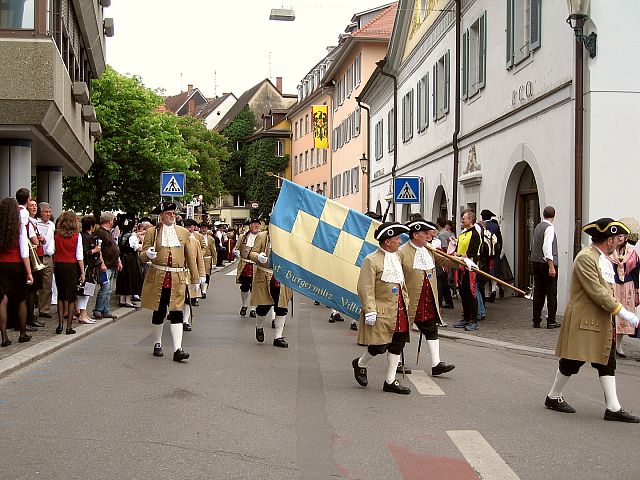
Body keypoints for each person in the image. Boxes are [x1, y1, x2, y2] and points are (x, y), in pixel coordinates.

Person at [545, 218, 639, 423]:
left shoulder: (602, 257)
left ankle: (613, 408)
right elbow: (597, 292)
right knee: (572, 361)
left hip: (599, 319)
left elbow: (606, 291)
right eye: (617, 238)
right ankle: (553, 397)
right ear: (609, 239)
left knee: (606, 360)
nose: (619, 242)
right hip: (586, 319)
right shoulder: (587, 258)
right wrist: (625, 314)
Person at [351, 222, 413, 395]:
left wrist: (406, 301)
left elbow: (402, 283)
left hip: (399, 310)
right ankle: (361, 363)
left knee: (397, 344)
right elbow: (365, 286)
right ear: (387, 242)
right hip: (381, 311)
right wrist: (369, 308)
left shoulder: (397, 257)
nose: (400, 242)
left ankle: (390, 381)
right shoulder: (371, 260)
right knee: (379, 346)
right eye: (397, 239)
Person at [398, 218, 462, 376]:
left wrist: (462, 262)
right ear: (414, 235)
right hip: (409, 300)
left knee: (431, 329)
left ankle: (436, 364)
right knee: (400, 332)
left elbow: (445, 260)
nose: (429, 236)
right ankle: (397, 362)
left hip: (427, 299)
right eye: (425, 233)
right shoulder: (401, 253)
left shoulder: (429, 249)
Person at [139, 202, 199, 362]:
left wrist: (196, 278)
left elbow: (190, 258)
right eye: (169, 213)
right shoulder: (152, 232)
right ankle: (157, 343)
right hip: (158, 276)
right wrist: (148, 255)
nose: (173, 216)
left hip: (178, 279)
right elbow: (142, 255)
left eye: (174, 213)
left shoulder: (183, 232)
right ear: (161, 216)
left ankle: (177, 349)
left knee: (177, 312)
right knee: (159, 311)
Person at [249, 217, 293, 348]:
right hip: (265, 275)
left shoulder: (289, 237)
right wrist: (258, 257)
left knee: (282, 306)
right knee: (264, 306)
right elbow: (252, 253)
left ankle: (278, 337)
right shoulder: (262, 237)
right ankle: (259, 326)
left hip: (283, 276)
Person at [0, 197, 33, 346]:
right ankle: (22, 332)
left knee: (2, 300)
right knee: (21, 299)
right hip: (17, 265)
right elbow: (24, 251)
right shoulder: (19, 227)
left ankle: (4, 337)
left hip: (1, 266)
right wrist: (29, 272)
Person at [53, 211, 85, 335]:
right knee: (71, 297)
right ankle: (69, 326)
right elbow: (79, 256)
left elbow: (52, 250)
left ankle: (60, 324)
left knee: (61, 295)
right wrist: (82, 272)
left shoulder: (56, 234)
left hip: (59, 265)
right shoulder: (77, 236)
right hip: (71, 266)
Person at [608, 231, 639, 358]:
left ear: (626, 238)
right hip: (614, 285)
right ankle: (609, 345)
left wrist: (636, 291)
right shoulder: (609, 253)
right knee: (612, 317)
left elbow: (636, 273)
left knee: (623, 318)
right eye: (617, 236)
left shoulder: (632, 254)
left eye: (621, 236)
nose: (619, 238)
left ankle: (618, 346)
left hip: (627, 287)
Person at [531, 206, 560, 329]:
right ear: (554, 216)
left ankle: (536, 320)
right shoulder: (549, 228)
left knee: (538, 292)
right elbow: (547, 248)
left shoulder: (538, 227)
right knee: (551, 293)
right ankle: (551, 320)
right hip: (546, 263)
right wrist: (551, 266)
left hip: (536, 262)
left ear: (543, 214)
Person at [453, 209, 481, 332]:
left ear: (470, 220)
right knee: (463, 294)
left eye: (464, 219)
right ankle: (466, 317)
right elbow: (459, 249)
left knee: (471, 294)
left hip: (470, 269)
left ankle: (473, 320)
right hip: (461, 268)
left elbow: (471, 253)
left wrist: (460, 256)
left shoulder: (474, 234)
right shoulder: (462, 234)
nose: (462, 221)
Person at [93, 212, 122, 320]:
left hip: (112, 265)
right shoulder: (100, 233)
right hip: (106, 265)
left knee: (109, 289)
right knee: (105, 288)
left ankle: (105, 310)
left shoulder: (107, 232)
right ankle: (98, 309)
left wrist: (118, 260)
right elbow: (98, 249)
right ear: (109, 221)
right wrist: (102, 263)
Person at [182, 219, 206, 331]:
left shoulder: (195, 241)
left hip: (190, 273)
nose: (191, 229)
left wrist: (201, 275)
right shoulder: (178, 239)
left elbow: (199, 259)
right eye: (188, 227)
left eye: (192, 227)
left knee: (188, 298)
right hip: (178, 272)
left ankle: (185, 320)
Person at [25, 199, 45, 329]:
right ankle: (29, 318)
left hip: (38, 255)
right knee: (31, 290)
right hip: (32, 258)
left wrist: (41, 239)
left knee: (35, 289)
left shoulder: (34, 222)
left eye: (35, 205)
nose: (34, 207)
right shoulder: (27, 222)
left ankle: (32, 316)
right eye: (31, 205)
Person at [115, 217, 143, 308]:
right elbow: (138, 248)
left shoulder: (121, 235)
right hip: (131, 259)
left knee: (123, 278)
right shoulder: (132, 236)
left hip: (123, 258)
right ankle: (127, 300)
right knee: (130, 278)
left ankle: (122, 299)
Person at [235, 218, 260, 318]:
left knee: (255, 288)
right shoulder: (243, 237)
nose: (256, 226)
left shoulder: (262, 237)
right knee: (244, 287)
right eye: (254, 224)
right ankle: (244, 305)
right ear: (250, 226)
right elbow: (237, 247)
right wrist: (235, 252)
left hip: (257, 265)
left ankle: (253, 308)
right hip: (245, 265)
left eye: (257, 224)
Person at [78, 215, 101, 324]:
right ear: (91, 226)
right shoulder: (84, 237)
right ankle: (82, 314)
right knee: (85, 292)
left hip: (90, 268)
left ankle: (84, 313)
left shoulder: (87, 236)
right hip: (86, 268)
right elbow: (83, 253)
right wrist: (94, 250)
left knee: (88, 291)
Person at [36, 202, 56, 320]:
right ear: (41, 212)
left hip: (47, 256)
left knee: (47, 283)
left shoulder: (51, 225)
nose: (48, 214)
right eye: (46, 212)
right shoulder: (35, 223)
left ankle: (44, 309)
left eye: (49, 212)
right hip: (37, 255)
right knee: (36, 283)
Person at [480, 210, 502, 303]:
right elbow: (500, 241)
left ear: (482, 217)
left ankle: (486, 294)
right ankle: (493, 289)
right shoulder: (496, 226)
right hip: (494, 253)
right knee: (493, 272)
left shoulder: (480, 226)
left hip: (484, 254)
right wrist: (498, 252)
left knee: (485, 273)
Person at [435, 217, 455, 309]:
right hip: (451, 258)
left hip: (444, 260)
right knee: (445, 281)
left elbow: (444, 248)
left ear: (438, 224)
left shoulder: (441, 235)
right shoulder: (451, 234)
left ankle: (441, 301)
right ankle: (448, 300)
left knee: (441, 281)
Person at [197, 223, 216, 299]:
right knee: (198, 275)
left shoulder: (211, 239)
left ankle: (204, 291)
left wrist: (214, 262)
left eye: (205, 228)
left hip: (207, 259)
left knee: (207, 275)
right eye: (202, 228)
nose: (204, 229)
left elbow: (214, 251)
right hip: (198, 259)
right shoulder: (196, 237)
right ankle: (198, 291)